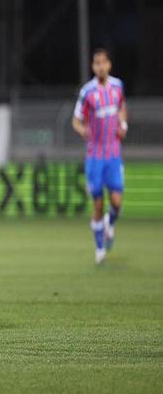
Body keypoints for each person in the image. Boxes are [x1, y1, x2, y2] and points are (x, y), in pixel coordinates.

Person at [72, 49, 127, 265]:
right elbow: (76, 120)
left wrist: (123, 124)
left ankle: (109, 223)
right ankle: (100, 249)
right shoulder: (87, 92)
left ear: (109, 65)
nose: (100, 66)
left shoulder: (117, 86)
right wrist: (83, 130)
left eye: (103, 62)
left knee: (117, 202)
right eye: (97, 63)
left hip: (113, 153)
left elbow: (122, 107)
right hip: (95, 156)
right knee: (97, 204)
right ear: (93, 67)